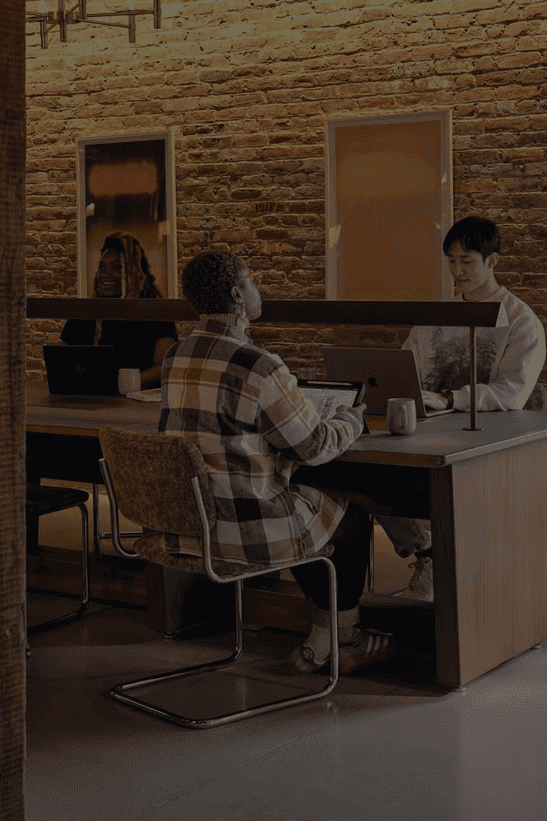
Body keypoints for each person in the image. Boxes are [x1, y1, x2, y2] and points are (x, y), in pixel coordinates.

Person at [159, 249, 390, 674]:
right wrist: (351, 418)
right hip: (249, 533)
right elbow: (316, 445)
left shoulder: (176, 356)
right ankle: (343, 637)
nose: (257, 288)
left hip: (192, 528)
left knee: (313, 509)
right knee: (352, 522)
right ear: (237, 295)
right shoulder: (259, 366)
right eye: (252, 282)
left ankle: (324, 633)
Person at [378, 215, 547, 601]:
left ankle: (460, 574)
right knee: (368, 476)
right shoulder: (437, 317)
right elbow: (406, 370)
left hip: (485, 440)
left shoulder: (521, 322)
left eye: (467, 261)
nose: (457, 271)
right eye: (451, 261)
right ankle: (426, 552)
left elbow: (512, 393)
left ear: (493, 262)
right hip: (426, 436)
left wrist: (452, 398)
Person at [61, 232, 177, 388]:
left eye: (117, 267)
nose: (106, 274)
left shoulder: (155, 312)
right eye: (102, 267)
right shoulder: (86, 312)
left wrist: (121, 384)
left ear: (135, 272)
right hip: (87, 402)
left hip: (135, 405)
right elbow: (62, 362)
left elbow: (163, 366)